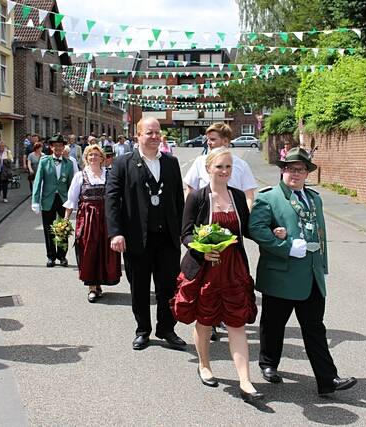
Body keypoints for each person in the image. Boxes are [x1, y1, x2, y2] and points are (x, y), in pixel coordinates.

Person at [248, 147, 356, 395]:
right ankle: (268, 363)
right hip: (281, 275)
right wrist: (286, 246)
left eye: (300, 169)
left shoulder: (315, 198)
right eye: (290, 168)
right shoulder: (269, 197)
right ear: (282, 170)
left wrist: (323, 266)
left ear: (307, 173)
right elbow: (257, 230)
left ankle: (328, 380)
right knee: (274, 324)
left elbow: (321, 235)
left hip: (311, 275)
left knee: (315, 327)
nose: (294, 174)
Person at [172, 147, 262, 402]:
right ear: (208, 168)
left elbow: (247, 230)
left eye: (228, 167)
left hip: (233, 268)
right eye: (220, 167)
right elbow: (186, 234)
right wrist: (203, 249)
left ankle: (245, 381)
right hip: (206, 269)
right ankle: (204, 364)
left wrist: (274, 232)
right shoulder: (198, 198)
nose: (224, 172)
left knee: (236, 322)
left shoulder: (236, 196)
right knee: (205, 321)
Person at [105, 117, 186, 351]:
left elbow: (178, 201)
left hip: (167, 238)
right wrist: (116, 233)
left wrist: (183, 231)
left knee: (168, 287)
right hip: (135, 238)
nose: (154, 137)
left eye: (157, 133)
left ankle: (167, 329)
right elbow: (112, 200)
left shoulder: (171, 162)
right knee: (139, 287)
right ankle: (143, 330)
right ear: (137, 135)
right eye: (149, 133)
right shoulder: (122, 163)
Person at [64, 145, 121, 303]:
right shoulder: (80, 176)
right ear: (86, 158)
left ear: (102, 158)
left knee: (105, 251)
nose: (93, 158)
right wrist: (65, 220)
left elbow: (117, 198)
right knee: (89, 251)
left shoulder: (109, 175)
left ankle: (100, 283)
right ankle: (92, 287)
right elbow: (71, 200)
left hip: (106, 218)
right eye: (90, 155)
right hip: (87, 219)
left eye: (96, 155)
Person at [184, 123, 257, 210]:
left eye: (213, 139)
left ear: (225, 141)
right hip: (204, 218)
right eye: (208, 139)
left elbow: (249, 195)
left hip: (233, 217)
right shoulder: (200, 162)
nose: (208, 143)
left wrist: (245, 217)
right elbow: (190, 190)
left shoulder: (241, 165)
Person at [32, 134, 74, 268]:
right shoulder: (44, 161)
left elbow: (71, 185)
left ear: (63, 148)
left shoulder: (69, 163)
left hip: (63, 199)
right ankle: (51, 256)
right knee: (49, 229)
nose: (58, 148)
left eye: (60, 146)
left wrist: (73, 202)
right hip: (48, 199)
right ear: (51, 147)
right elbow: (38, 181)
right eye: (55, 146)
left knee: (62, 228)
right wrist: (35, 201)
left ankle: (62, 256)